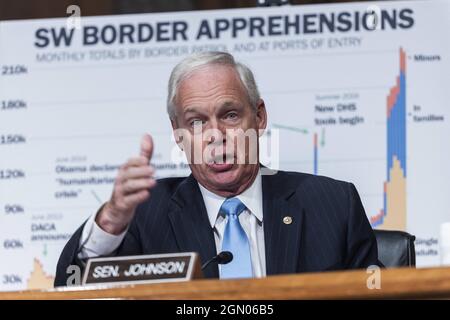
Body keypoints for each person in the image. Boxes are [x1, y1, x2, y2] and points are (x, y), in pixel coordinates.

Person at [55, 51, 381, 287]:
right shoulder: (145, 215)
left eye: (229, 115)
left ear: (259, 116)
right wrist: (111, 219)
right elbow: (71, 286)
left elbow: (381, 292)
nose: (216, 135)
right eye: (196, 122)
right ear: (178, 133)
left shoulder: (333, 203)